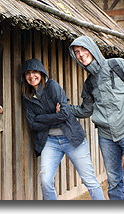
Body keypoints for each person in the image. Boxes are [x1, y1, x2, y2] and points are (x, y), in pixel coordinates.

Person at [68, 36, 124, 200]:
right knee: (114, 182)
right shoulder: (89, 84)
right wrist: (66, 108)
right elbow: (86, 110)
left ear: (92, 48)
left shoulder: (118, 65)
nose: (80, 55)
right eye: (77, 53)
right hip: (107, 137)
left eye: (83, 50)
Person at [20, 58, 104, 200]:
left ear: (41, 73)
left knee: (89, 180)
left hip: (72, 138)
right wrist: (54, 115)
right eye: (27, 73)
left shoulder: (52, 86)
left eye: (34, 72)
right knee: (46, 180)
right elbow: (33, 124)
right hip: (50, 141)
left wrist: (41, 117)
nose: (31, 76)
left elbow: (65, 113)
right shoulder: (27, 96)